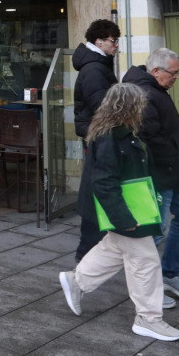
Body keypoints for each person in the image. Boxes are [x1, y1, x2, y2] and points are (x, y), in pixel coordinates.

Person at [58, 84, 179, 341]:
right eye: (139, 105)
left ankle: (77, 282)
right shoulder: (112, 138)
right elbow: (104, 183)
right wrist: (124, 219)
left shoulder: (118, 133)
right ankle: (148, 318)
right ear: (129, 107)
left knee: (113, 249)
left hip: (127, 210)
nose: (143, 110)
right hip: (126, 213)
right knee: (145, 262)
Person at [124, 47, 179, 303]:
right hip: (160, 173)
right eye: (173, 73)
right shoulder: (145, 93)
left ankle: (168, 273)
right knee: (156, 229)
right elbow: (150, 137)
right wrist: (170, 157)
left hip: (173, 172)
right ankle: (145, 287)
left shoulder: (156, 89)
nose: (176, 77)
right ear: (156, 71)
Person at [73, 19, 120, 263]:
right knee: (96, 193)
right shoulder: (93, 69)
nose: (116, 46)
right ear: (99, 42)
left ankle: (93, 252)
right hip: (98, 137)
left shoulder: (98, 65)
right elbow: (103, 107)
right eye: (113, 41)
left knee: (97, 192)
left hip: (98, 135)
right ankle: (85, 255)